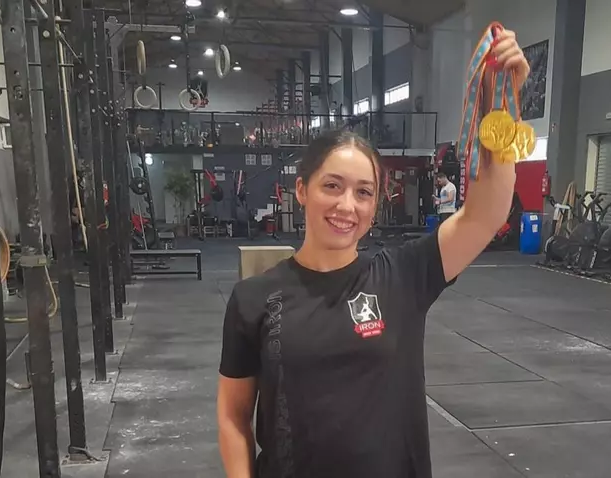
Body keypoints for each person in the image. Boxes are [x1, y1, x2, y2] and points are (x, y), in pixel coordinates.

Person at [217, 28, 529, 478]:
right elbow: (233, 416)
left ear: (375, 204)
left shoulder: (403, 276)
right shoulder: (253, 299)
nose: (347, 206)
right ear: (301, 190)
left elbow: (485, 214)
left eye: (363, 192)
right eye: (332, 186)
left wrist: (499, 105)